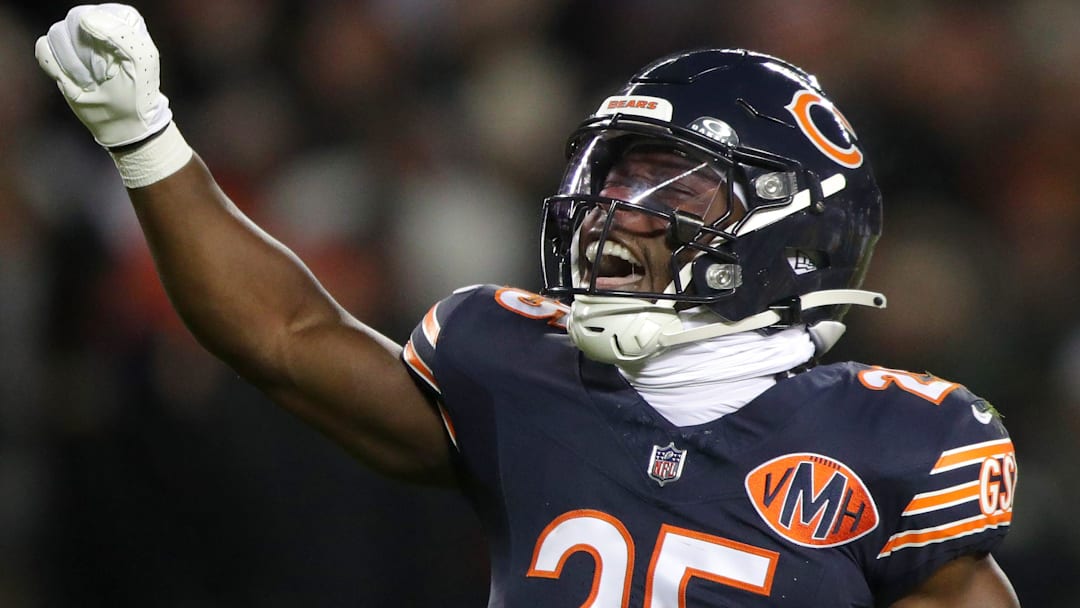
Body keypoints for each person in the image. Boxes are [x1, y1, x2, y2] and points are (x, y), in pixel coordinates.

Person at [35, 4, 1021, 606]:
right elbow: (286, 337)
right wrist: (147, 138)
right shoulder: (516, 368)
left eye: (671, 188)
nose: (613, 214)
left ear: (791, 225)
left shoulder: (897, 444)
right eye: (613, 178)